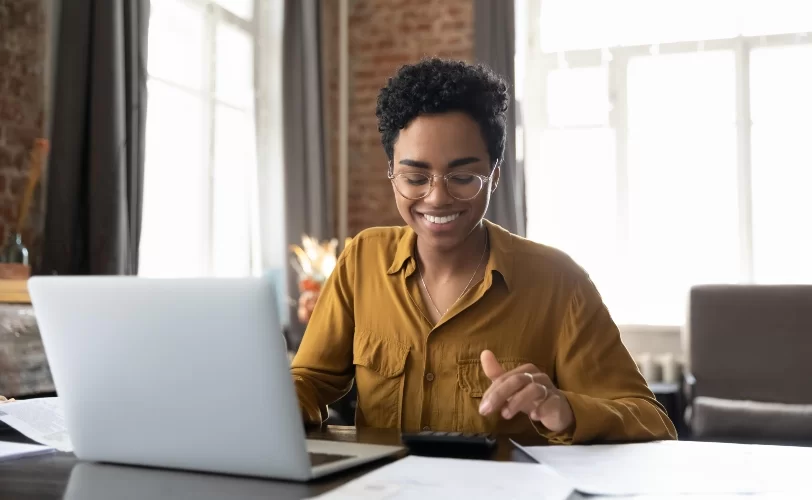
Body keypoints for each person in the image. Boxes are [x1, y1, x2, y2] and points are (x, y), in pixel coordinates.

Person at [290, 58, 677, 443]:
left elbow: (652, 422)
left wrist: (565, 409)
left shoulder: (559, 283)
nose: (437, 197)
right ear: (391, 173)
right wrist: (281, 401)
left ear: (494, 174)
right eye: (414, 177)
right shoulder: (362, 260)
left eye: (462, 177)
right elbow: (309, 380)